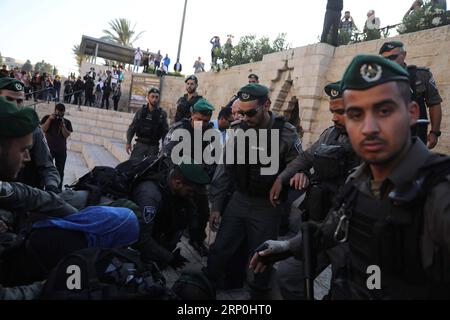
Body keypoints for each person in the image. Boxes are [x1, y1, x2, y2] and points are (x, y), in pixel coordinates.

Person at [251, 55, 450, 300]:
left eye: (384, 111)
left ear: (412, 113)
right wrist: (286, 247)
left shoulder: (439, 191)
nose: (368, 127)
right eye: (356, 114)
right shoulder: (359, 181)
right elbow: (332, 229)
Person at [205, 84, 302, 299]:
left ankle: (258, 296)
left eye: (251, 112)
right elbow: (224, 171)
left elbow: (299, 164)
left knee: (262, 257)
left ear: (266, 105)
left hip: (267, 206)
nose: (246, 117)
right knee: (220, 248)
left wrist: (284, 177)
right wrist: (217, 206)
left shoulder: (285, 132)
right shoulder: (238, 130)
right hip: (239, 200)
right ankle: (206, 287)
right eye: (242, 112)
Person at [273, 81, 360, 300]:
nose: (334, 117)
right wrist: (282, 178)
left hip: (351, 237)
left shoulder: (372, 144)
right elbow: (307, 157)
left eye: (341, 111)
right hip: (322, 226)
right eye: (333, 111)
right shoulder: (330, 134)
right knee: (287, 275)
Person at [161, 99, 217, 256]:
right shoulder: (178, 130)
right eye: (199, 120)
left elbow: (213, 160)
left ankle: (197, 240)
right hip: (177, 179)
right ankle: (166, 243)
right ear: (192, 115)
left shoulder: (211, 135)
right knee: (172, 212)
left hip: (197, 180)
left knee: (203, 212)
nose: (202, 124)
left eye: (206, 121)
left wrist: (201, 172)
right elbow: (166, 155)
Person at [131, 161, 210, 269]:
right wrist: (169, 257)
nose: (192, 196)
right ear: (177, 183)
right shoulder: (150, 197)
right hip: (135, 245)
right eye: (190, 192)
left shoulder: (176, 190)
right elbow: (141, 238)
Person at [0, 77, 60, 192]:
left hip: (24, 196)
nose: (15, 105)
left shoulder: (33, 130)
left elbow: (48, 167)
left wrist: (51, 186)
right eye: (9, 99)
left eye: (19, 101)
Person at [379, 41, 442, 149]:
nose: (389, 62)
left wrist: (434, 132)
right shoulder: (377, 80)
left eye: (393, 57)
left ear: (403, 55)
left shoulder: (421, 75)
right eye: (385, 59)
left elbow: (434, 103)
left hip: (416, 135)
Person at [126, 88, 169, 162]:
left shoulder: (162, 114)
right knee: (132, 166)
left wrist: (164, 148)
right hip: (140, 144)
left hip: (153, 147)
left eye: (156, 97)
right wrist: (128, 142)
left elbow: (165, 132)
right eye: (152, 97)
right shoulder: (141, 111)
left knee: (150, 171)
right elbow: (132, 127)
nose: (154, 99)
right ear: (148, 97)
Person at [41, 103, 73, 189]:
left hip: (61, 151)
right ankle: (42, 187)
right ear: (55, 111)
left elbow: (66, 135)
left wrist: (63, 125)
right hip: (48, 149)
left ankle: (58, 190)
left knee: (60, 171)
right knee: (44, 169)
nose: (60, 115)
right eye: (58, 113)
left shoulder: (67, 122)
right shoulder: (47, 118)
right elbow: (43, 129)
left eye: (62, 113)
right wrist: (49, 120)